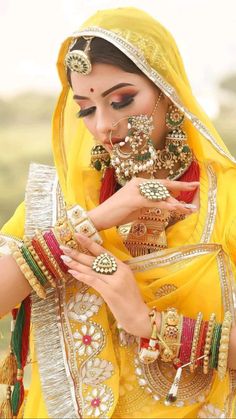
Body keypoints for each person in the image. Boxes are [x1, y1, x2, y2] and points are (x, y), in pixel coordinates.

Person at [0, 6, 236, 419]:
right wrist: (94, 220)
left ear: (167, 90)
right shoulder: (64, 198)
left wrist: (147, 323)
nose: (104, 125)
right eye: (87, 109)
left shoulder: (228, 199)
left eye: (122, 100)